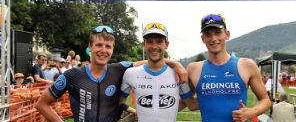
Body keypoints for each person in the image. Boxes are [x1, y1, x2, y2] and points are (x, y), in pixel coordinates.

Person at [35, 25, 187, 122]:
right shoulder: (72, 75)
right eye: (99, 45)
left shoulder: (119, 69)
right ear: (90, 47)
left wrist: (176, 64)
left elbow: (152, 60)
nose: (103, 50)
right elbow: (42, 104)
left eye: (108, 46)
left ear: (113, 49)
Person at [187, 14, 271, 122]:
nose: (213, 39)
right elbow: (190, 104)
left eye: (218, 33)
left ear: (227, 34)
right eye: (208, 35)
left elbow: (266, 100)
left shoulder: (247, 65)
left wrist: (251, 112)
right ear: (203, 39)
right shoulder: (193, 69)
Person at [120, 23, 197, 122]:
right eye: (149, 42)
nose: (154, 46)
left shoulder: (178, 74)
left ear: (166, 44)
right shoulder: (130, 74)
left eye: (159, 41)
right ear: (143, 44)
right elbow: (117, 102)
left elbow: (191, 104)